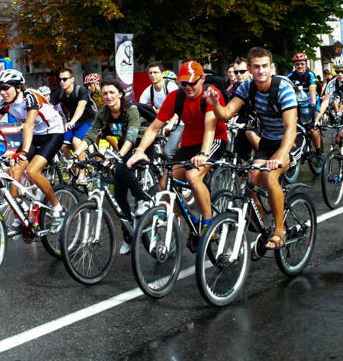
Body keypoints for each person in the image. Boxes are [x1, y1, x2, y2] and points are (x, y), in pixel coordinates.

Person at [204, 47, 298, 250]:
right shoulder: (247, 87)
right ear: (249, 68)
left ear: (271, 67)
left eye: (265, 66)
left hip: (288, 141)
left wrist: (280, 156)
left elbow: (291, 128)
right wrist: (215, 104)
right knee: (250, 188)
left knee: (270, 176)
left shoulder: (283, 89)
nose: (261, 70)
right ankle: (263, 231)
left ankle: (279, 231)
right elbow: (225, 114)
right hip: (267, 142)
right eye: (256, 67)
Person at [128, 60, 229, 233]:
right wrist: (139, 150)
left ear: (202, 79)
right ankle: (193, 221)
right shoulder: (176, 96)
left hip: (214, 140)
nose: (187, 86)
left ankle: (208, 225)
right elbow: (153, 128)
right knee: (164, 187)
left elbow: (210, 129)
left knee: (192, 176)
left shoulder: (211, 93)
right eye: (183, 83)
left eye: (192, 82)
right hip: (189, 143)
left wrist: (203, 154)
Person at [0, 69, 67, 236]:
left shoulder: (30, 97)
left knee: (33, 171)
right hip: (35, 136)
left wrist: (24, 151)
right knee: (12, 173)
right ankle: (19, 217)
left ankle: (58, 208)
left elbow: (29, 124)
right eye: (0, 88)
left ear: (18, 87)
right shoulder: (4, 104)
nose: (2, 92)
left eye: (6, 88)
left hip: (53, 134)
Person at [74, 78, 151, 254]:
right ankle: (128, 236)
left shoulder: (130, 110)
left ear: (120, 94)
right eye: (105, 93)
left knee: (122, 169)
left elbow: (132, 135)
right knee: (118, 196)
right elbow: (91, 134)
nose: (108, 96)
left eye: (112, 92)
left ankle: (143, 199)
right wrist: (75, 155)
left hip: (142, 145)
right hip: (124, 147)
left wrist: (119, 156)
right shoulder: (104, 112)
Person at [50, 68, 96, 177]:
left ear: (72, 79)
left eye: (65, 79)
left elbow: (81, 107)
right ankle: (76, 172)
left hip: (88, 121)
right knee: (63, 148)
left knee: (76, 142)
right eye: (60, 80)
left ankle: (82, 175)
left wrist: (72, 121)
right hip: (74, 123)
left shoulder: (81, 90)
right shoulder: (60, 93)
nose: (62, 82)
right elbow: (48, 108)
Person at [138, 62, 182, 159]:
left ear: (162, 73)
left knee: (168, 152)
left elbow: (179, 108)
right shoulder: (149, 90)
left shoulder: (170, 86)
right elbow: (141, 106)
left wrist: (171, 123)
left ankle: (175, 167)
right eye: (150, 73)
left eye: (155, 72)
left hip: (179, 122)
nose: (152, 75)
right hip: (162, 122)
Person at [287, 52, 323, 164]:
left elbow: (312, 91)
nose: (300, 66)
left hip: (311, 102)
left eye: (302, 64)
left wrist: (312, 105)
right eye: (297, 64)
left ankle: (319, 153)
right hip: (298, 103)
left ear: (306, 64)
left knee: (312, 128)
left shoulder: (310, 75)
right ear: (294, 65)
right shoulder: (290, 76)